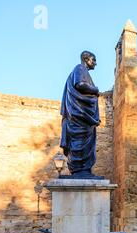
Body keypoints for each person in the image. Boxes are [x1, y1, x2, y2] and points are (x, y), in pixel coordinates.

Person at [60, 51, 103, 179]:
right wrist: (95, 90)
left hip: (84, 117)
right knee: (79, 142)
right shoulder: (79, 68)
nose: (95, 63)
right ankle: (80, 170)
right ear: (86, 59)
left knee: (85, 143)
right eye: (93, 59)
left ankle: (84, 170)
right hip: (79, 116)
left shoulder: (83, 71)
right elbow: (79, 85)